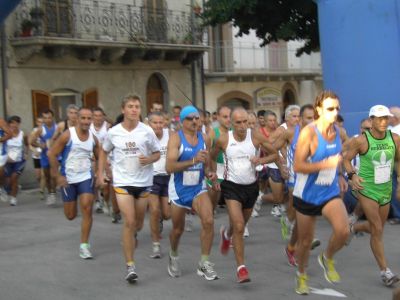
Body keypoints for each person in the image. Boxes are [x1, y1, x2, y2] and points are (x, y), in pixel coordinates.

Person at [97, 94, 160, 283]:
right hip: (122, 182)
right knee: (129, 221)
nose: (134, 110)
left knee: (138, 224)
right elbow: (103, 151)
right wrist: (100, 173)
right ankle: (130, 266)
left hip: (143, 183)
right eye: (131, 106)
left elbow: (157, 153)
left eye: (137, 107)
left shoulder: (147, 131)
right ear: (123, 109)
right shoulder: (114, 132)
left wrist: (149, 159)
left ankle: (131, 236)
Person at [211, 107, 280, 283]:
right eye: (238, 123)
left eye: (245, 122)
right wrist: (212, 175)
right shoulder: (224, 139)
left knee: (239, 225)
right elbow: (211, 157)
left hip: (251, 187)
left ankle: (227, 234)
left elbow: (273, 153)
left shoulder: (255, 136)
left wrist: (261, 160)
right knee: (240, 226)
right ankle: (241, 268)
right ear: (231, 123)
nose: (242, 126)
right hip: (231, 187)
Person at [292, 90, 349, 295]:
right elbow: (298, 166)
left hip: (329, 191)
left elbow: (339, 157)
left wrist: (341, 175)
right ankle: (301, 275)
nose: (334, 113)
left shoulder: (339, 132)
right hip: (306, 193)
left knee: (343, 230)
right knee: (305, 242)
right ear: (319, 110)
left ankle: (327, 257)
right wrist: (325, 164)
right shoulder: (309, 132)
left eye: (337, 109)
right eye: (330, 109)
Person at [344, 105, 400, 287]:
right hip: (366, 189)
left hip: (385, 190)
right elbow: (346, 159)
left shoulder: (395, 139)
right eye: (380, 118)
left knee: (378, 229)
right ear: (371, 120)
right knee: (376, 228)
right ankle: (385, 271)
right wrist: (352, 175)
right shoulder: (361, 141)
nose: (384, 122)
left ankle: (353, 228)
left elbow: (398, 160)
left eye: (387, 118)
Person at [166, 105, 219, 281]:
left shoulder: (204, 138)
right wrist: (193, 160)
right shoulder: (175, 138)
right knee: (177, 229)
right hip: (179, 190)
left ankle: (204, 262)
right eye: (190, 118)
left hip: (198, 187)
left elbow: (207, 162)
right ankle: (173, 254)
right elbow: (169, 167)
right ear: (182, 122)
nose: (195, 121)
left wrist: (210, 173)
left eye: (197, 118)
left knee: (209, 220)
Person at [48, 108, 100, 259]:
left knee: (87, 207)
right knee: (70, 215)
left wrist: (102, 172)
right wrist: (57, 176)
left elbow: (100, 154)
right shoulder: (68, 135)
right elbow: (52, 153)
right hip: (68, 179)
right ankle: (73, 204)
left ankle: (84, 245)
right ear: (77, 119)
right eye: (83, 118)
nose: (86, 121)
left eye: (88, 118)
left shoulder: (93, 138)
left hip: (85, 177)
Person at [148, 111, 171, 259]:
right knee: (154, 210)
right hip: (151, 177)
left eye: (160, 122)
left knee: (167, 214)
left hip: (168, 177)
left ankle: (160, 220)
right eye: (154, 122)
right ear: (149, 124)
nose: (158, 125)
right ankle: (156, 245)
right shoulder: (145, 136)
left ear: (164, 123)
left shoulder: (171, 135)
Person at [30, 109, 58, 205]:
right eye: (45, 118)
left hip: (56, 155)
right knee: (46, 176)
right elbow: (31, 141)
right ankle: (50, 192)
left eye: (49, 117)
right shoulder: (41, 129)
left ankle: (53, 193)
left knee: (54, 176)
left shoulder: (58, 127)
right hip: (45, 156)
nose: (47, 120)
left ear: (53, 117)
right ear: (43, 119)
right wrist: (39, 145)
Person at [89, 107, 111, 214]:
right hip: (92, 158)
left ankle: (105, 201)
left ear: (103, 116)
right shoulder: (89, 127)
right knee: (94, 180)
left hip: (105, 158)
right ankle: (97, 201)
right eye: (95, 116)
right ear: (92, 117)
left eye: (100, 116)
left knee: (105, 183)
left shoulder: (108, 127)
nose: (98, 118)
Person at [4, 116, 28, 206]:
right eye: (12, 123)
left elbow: (27, 144)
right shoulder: (6, 134)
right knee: (9, 180)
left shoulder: (23, 134)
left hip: (19, 161)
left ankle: (13, 198)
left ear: (19, 124)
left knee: (14, 178)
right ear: (9, 124)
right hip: (7, 161)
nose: (14, 125)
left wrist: (26, 153)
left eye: (16, 123)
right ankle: (9, 190)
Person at [29, 117, 46, 200]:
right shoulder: (34, 131)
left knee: (43, 175)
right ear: (36, 122)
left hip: (44, 155)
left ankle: (41, 191)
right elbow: (30, 143)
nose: (41, 123)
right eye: (39, 122)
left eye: (42, 122)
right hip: (36, 156)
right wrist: (34, 150)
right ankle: (41, 186)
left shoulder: (46, 130)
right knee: (38, 176)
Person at [0, 117, 12, 202]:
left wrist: (0, 139)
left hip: (0, 152)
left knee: (0, 173)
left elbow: (9, 134)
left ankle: (1, 187)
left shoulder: (1, 121)